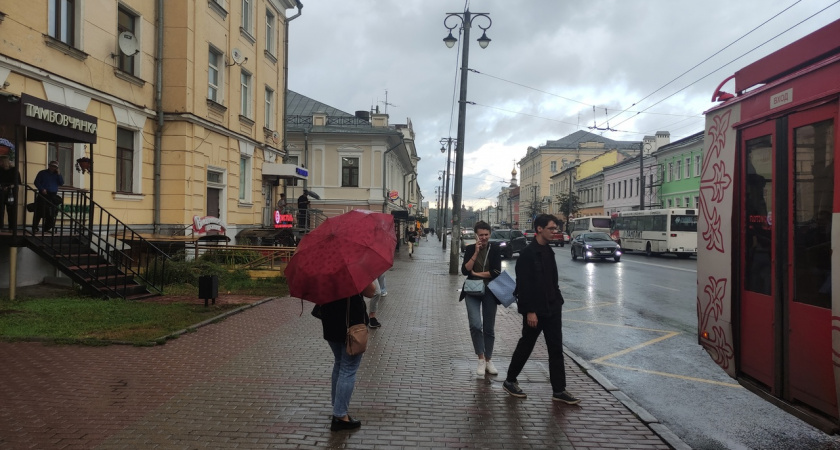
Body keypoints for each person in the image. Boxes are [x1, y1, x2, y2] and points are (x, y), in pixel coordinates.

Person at [503, 214, 580, 405]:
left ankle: (559, 390)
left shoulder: (549, 251)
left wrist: (558, 300)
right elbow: (524, 286)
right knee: (526, 346)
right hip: (535, 311)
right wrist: (529, 311)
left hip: (553, 307)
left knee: (556, 349)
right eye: (551, 228)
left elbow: (552, 281)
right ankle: (510, 380)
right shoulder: (528, 255)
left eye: (555, 229)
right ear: (539, 229)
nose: (555, 232)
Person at [318, 281, 376, 431]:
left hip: (330, 321)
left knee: (339, 363)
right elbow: (371, 292)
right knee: (348, 368)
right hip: (351, 326)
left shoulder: (324, 268)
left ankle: (337, 405)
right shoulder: (353, 269)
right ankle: (340, 416)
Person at [460, 221, 502, 376]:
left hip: (490, 291)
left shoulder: (495, 249)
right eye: (481, 235)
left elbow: (496, 272)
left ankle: (489, 360)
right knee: (476, 325)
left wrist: (477, 274)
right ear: (476, 235)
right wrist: (476, 253)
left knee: (489, 328)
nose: (483, 238)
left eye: (486, 235)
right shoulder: (470, 248)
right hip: (472, 291)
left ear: (490, 234)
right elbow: (465, 271)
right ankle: (480, 359)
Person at [32, 160, 64, 233]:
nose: (53, 168)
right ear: (49, 166)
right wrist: (41, 189)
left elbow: (61, 183)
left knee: (51, 212)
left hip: (52, 195)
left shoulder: (57, 174)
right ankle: (35, 227)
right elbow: (36, 182)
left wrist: (59, 174)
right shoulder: (42, 173)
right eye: (52, 166)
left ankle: (47, 228)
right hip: (43, 194)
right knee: (39, 211)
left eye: (55, 167)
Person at [0, 155, 21, 230]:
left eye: (1, 161)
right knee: (1, 210)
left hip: (11, 192)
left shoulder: (14, 170)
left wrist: (8, 187)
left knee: (11, 210)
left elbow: (17, 181)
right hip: (1, 191)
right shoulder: (0, 170)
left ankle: (11, 228)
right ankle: (1, 227)